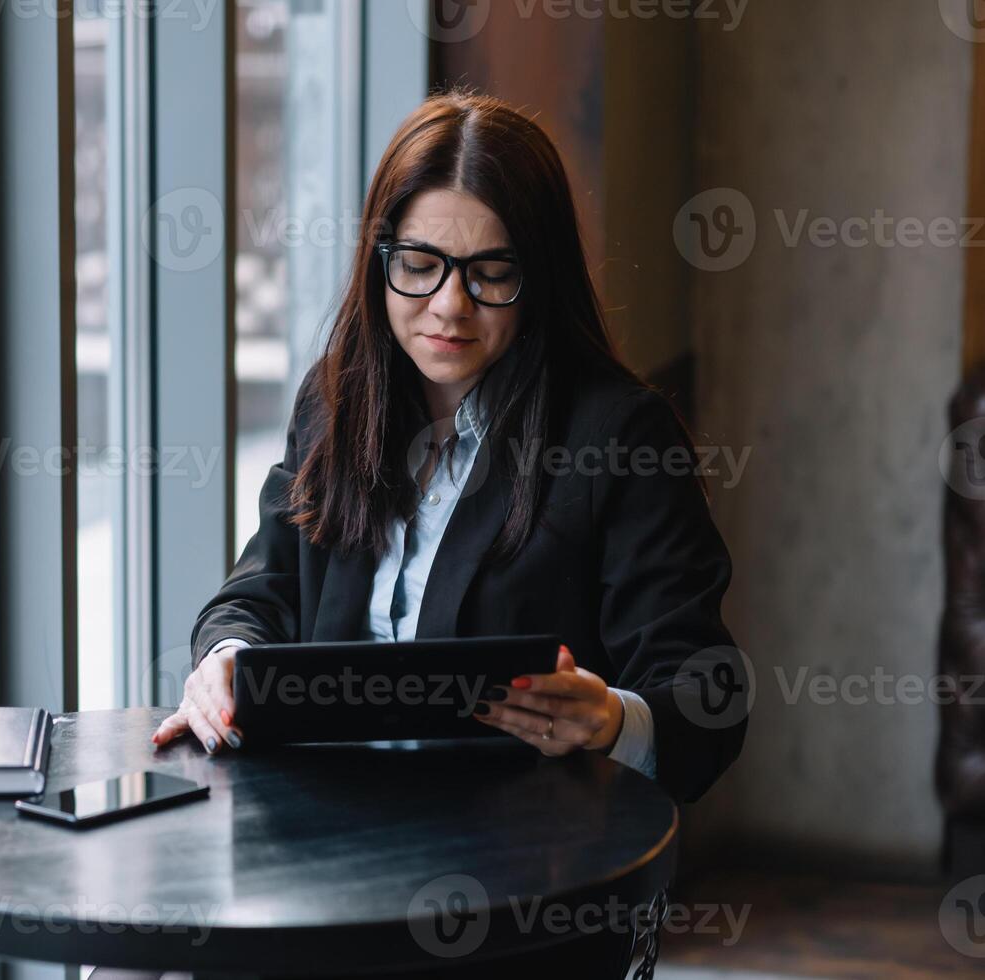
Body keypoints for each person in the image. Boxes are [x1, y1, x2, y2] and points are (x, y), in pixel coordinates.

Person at [151, 89, 748, 976]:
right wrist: (228, 656)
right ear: (379, 260)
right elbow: (261, 587)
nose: (449, 306)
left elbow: (708, 690)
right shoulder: (336, 400)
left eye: (489, 272)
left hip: (515, 889)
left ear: (536, 272)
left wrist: (615, 718)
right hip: (324, 859)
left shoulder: (618, 437)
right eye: (420, 265)